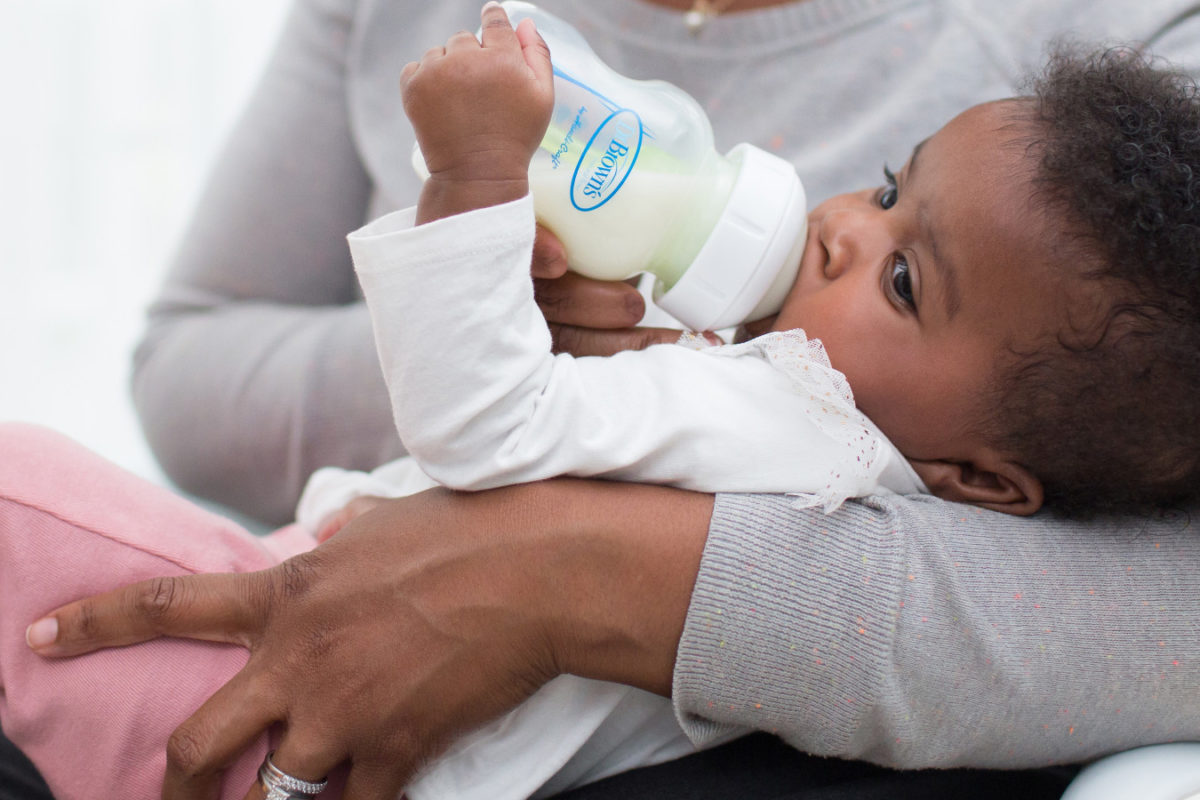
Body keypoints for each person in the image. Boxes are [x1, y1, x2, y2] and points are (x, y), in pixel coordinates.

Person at [5, 0, 1195, 798]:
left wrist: (474, 208)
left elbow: (484, 425)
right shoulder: (817, 433)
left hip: (296, 718)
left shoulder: (782, 411)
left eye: (899, 276)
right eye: (886, 186)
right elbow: (192, 363)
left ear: (988, 480)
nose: (838, 223)